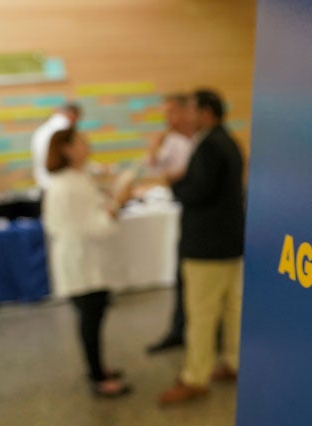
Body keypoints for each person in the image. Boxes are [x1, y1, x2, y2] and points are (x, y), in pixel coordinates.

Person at [158, 89, 245, 404]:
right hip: (230, 243)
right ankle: (234, 361)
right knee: (232, 309)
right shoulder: (227, 141)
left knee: (203, 314)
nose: (185, 117)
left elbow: (197, 193)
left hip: (207, 247)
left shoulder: (209, 146)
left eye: (191, 110)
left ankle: (195, 377)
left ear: (206, 112)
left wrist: (175, 182)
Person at [42, 128, 133, 398]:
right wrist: (118, 202)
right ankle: (97, 377)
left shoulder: (73, 180)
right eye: (81, 142)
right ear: (67, 149)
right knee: (90, 318)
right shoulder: (70, 185)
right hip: (81, 258)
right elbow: (95, 227)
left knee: (93, 316)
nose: (87, 146)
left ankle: (98, 368)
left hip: (82, 256)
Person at [146, 93, 199, 354]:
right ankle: (179, 329)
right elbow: (159, 172)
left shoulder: (204, 141)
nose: (168, 119)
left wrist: (181, 176)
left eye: (171, 112)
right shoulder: (173, 141)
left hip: (206, 220)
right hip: (189, 215)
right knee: (184, 276)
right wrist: (154, 149)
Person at [31, 102, 81, 190]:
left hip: (44, 182)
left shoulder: (42, 130)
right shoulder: (64, 129)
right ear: (74, 115)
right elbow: (72, 158)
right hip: (62, 183)